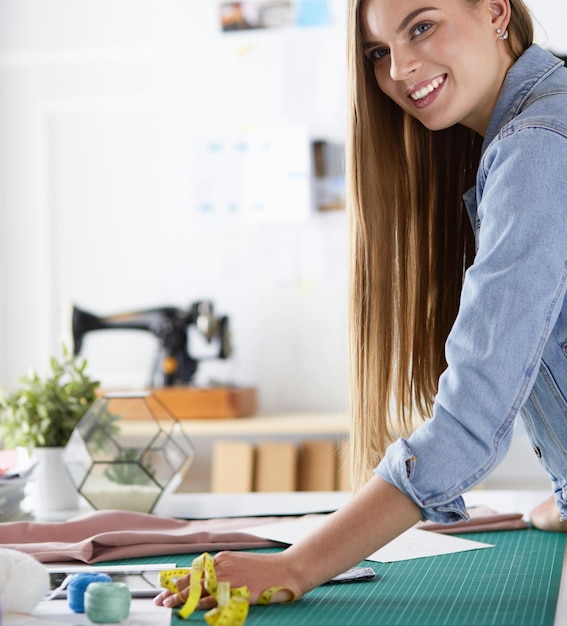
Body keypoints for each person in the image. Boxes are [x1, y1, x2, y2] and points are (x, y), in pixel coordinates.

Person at [155, 0, 567, 610]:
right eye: (378, 53)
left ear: (496, 11)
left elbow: (473, 411)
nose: (400, 69)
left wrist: (298, 564)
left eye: (421, 27)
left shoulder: (537, 147)